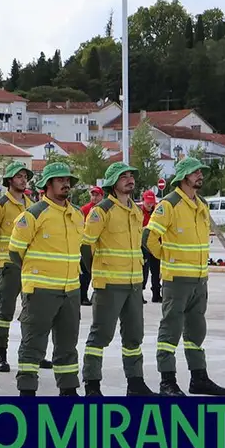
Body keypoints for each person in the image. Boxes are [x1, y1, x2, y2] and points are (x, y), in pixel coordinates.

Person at [145, 158, 225, 397]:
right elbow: (149, 238)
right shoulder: (169, 204)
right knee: (170, 331)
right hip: (177, 280)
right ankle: (167, 382)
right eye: (195, 172)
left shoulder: (201, 203)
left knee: (196, 332)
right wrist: (168, 258)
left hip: (200, 279)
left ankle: (198, 378)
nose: (200, 175)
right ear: (184, 177)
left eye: (200, 171)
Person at [9, 162, 84, 397]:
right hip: (40, 291)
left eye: (68, 180)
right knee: (33, 344)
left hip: (70, 290)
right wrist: (36, 273)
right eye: (60, 180)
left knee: (67, 344)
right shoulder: (34, 214)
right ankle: (27, 391)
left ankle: (68, 390)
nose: (66, 184)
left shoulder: (77, 214)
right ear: (48, 185)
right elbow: (15, 251)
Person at [81, 162, 155, 397]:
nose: (129, 179)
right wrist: (94, 273)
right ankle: (92, 385)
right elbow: (86, 245)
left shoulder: (135, 210)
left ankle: (135, 383)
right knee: (100, 335)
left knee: (134, 336)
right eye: (123, 177)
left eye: (131, 176)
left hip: (133, 285)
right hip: (109, 285)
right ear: (113, 183)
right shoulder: (101, 211)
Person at [0, 163, 31, 373]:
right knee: (5, 313)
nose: (23, 180)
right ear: (9, 180)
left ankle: (32, 352)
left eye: (25, 176)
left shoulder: (31, 204)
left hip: (29, 267)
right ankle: (0, 353)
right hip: (8, 266)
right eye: (19, 176)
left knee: (31, 312)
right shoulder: (0, 205)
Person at [79, 185, 104, 305]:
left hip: (100, 248)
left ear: (101, 196)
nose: (94, 197)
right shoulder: (84, 209)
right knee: (85, 274)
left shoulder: (104, 209)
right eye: (92, 195)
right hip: (87, 246)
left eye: (97, 195)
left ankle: (96, 295)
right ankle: (82, 296)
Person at [140, 190, 162, 302]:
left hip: (155, 245)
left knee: (156, 271)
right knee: (143, 271)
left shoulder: (157, 212)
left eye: (151, 202)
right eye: (148, 202)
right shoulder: (138, 212)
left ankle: (156, 294)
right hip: (142, 247)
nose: (150, 205)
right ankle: (140, 295)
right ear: (143, 201)